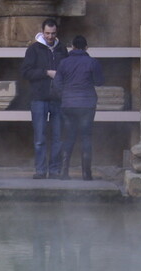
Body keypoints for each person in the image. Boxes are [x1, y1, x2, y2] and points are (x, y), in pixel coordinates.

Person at [21, 18, 68, 179]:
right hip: (39, 98)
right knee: (40, 138)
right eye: (47, 33)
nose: (50, 36)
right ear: (42, 32)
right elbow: (26, 72)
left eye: (53, 33)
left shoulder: (62, 49)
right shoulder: (33, 49)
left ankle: (54, 170)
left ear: (57, 32)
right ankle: (40, 171)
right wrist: (46, 73)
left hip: (58, 99)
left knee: (58, 137)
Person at [53, 35, 103, 180]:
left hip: (68, 105)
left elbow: (57, 84)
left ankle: (64, 173)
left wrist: (65, 96)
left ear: (72, 47)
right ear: (86, 47)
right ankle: (86, 174)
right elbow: (99, 81)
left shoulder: (63, 63)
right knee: (86, 137)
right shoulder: (92, 62)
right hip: (87, 105)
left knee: (68, 137)